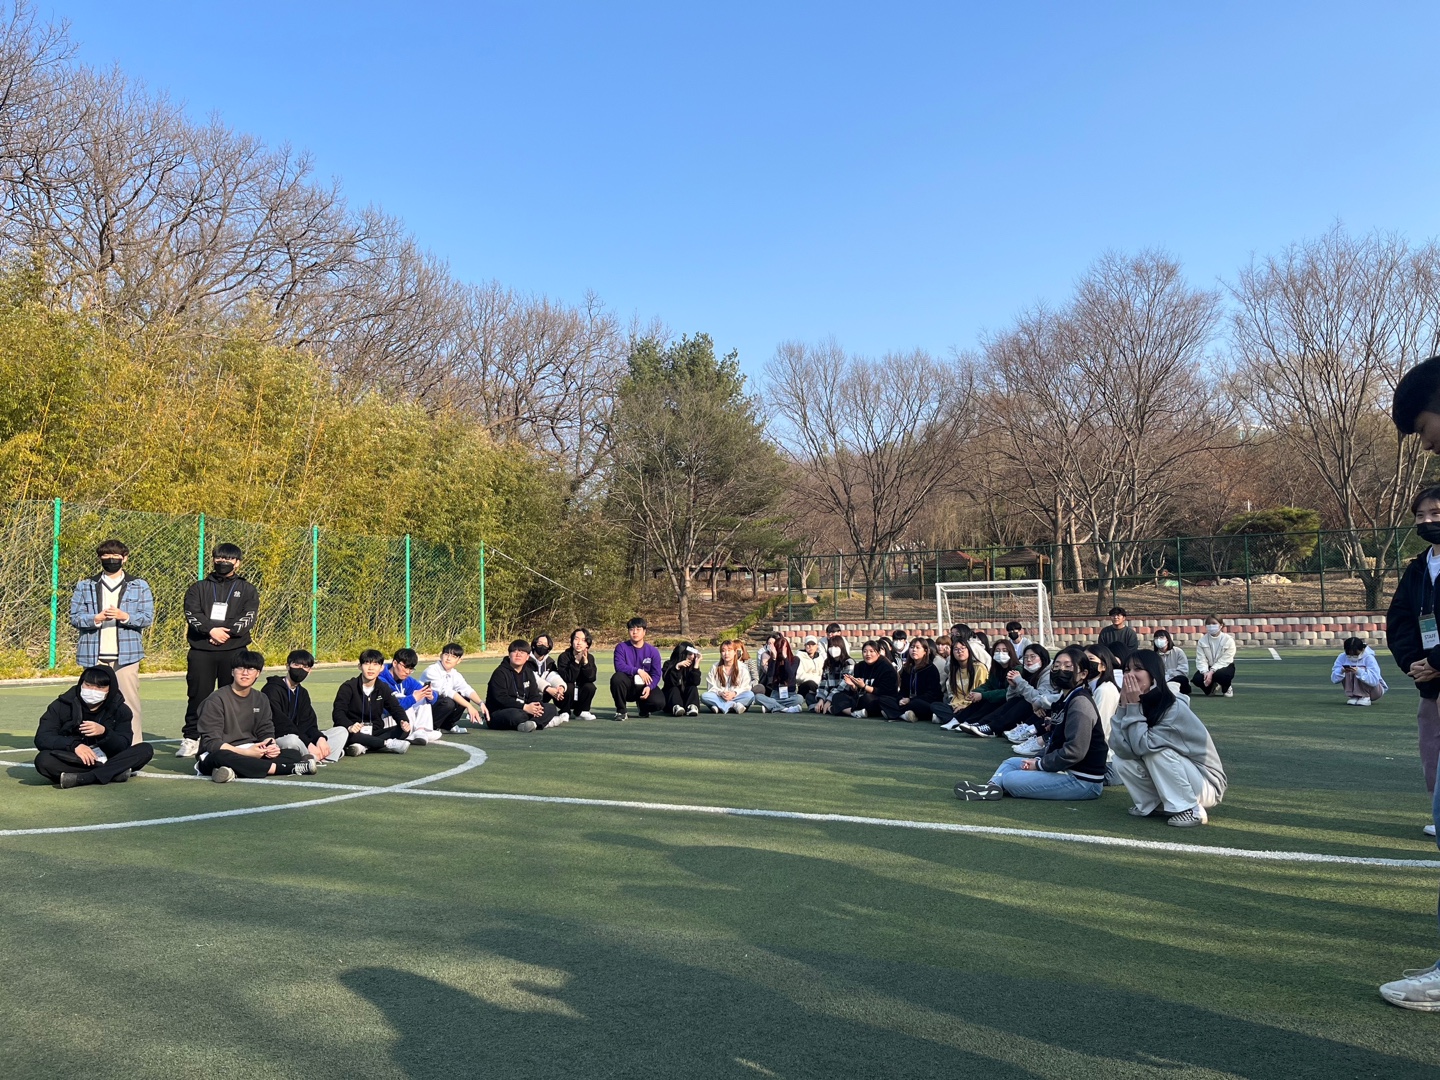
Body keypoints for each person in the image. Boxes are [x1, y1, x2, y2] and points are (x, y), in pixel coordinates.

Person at [954, 647, 1107, 801]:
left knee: (1011, 779)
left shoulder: (1080, 703)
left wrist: (1039, 765)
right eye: (1056, 666)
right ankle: (991, 788)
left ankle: (999, 786)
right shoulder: (1065, 699)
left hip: (1082, 780)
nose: (1061, 670)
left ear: (1083, 674)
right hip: (1064, 769)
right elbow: (1054, 740)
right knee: (1011, 763)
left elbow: (1074, 751)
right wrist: (1038, 760)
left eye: (1068, 666)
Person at [1112, 649, 1226, 827]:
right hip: (1183, 774)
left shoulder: (1172, 707)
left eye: (1137, 669)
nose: (1130, 675)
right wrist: (1123, 707)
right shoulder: (1138, 703)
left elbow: (1144, 746)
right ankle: (1154, 805)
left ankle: (1191, 809)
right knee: (1121, 759)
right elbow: (1120, 748)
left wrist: (1133, 707)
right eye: (1126, 670)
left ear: (1153, 675)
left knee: (1156, 752)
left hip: (1206, 784)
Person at [68, 539, 155, 746]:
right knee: (92, 701)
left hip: (127, 656)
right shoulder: (85, 585)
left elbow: (147, 617)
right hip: (93, 655)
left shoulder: (139, 585)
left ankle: (133, 746)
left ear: (125, 558)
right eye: (106, 556)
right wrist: (95, 619)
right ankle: (93, 744)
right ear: (100, 558)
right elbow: (75, 617)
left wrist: (124, 616)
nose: (111, 560)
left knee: (129, 702)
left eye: (115, 556)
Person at [177, 543, 260, 758]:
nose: (223, 562)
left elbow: (249, 616)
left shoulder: (248, 589)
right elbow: (191, 613)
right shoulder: (198, 588)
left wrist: (227, 633)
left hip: (234, 651)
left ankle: (232, 738)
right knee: (198, 695)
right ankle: (192, 738)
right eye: (219, 558)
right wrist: (210, 631)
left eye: (228, 559)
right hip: (201, 650)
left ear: (237, 563)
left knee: (233, 696)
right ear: (213, 560)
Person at [196, 650, 316, 782]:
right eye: (240, 668)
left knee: (293, 754)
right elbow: (212, 743)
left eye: (251, 669)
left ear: (258, 673)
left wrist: (270, 746)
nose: (245, 673)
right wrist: (246, 752)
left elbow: (266, 731)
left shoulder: (261, 698)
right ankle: (288, 768)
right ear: (232, 672)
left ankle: (233, 770)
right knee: (220, 757)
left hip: (253, 750)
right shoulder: (215, 700)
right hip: (224, 751)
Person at [33, 666, 155, 788]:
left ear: (110, 689)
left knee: (145, 749)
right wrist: (74, 745)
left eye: (100, 687)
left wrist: (104, 733)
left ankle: (85, 778)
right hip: (76, 758)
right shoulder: (62, 705)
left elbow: (123, 744)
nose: (93, 691)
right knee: (43, 761)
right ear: (81, 683)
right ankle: (114, 772)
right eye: (88, 685)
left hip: (109, 756)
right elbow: (43, 737)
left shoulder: (121, 709)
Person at [262, 649, 347, 763]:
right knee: (291, 741)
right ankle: (317, 756)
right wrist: (308, 743)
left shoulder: (302, 693)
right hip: (280, 737)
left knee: (341, 731)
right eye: (296, 665)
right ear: (287, 666)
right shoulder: (272, 690)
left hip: (301, 737)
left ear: (309, 671)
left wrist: (319, 738)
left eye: (305, 667)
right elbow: (281, 724)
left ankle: (314, 756)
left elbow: (308, 723)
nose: (300, 669)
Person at [332, 650, 414, 755]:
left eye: (375, 664)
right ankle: (386, 744)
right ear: (360, 666)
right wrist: (350, 726)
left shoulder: (383, 688)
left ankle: (364, 746)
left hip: (375, 731)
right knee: (344, 734)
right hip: (354, 731)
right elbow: (338, 713)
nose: (371, 668)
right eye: (367, 663)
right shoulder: (348, 687)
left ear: (381, 668)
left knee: (404, 730)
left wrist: (404, 721)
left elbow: (396, 708)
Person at [486, 640, 559, 731]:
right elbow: (501, 698)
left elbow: (534, 695)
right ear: (509, 655)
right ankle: (541, 722)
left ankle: (532, 724)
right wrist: (525, 707)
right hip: (501, 711)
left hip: (524, 709)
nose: (518, 655)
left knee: (551, 708)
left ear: (527, 657)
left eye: (522, 652)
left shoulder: (528, 672)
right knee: (516, 715)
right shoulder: (500, 673)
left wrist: (536, 707)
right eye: (514, 651)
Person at [954, 638, 1017, 735]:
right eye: (997, 651)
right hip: (995, 699)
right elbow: (988, 684)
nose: (1000, 653)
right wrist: (976, 692)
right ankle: (960, 720)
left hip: (1008, 702)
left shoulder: (1017, 669)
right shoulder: (996, 669)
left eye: (1004, 650)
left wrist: (983, 695)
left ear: (1011, 652)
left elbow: (1007, 692)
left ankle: (974, 722)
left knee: (989, 701)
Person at [380, 648, 442, 742]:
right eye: (405, 667)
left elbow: (428, 693)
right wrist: (413, 698)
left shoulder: (407, 680)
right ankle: (411, 734)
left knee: (423, 694)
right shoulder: (381, 680)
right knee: (405, 698)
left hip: (403, 722)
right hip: (386, 719)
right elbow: (389, 707)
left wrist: (431, 695)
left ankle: (421, 730)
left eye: (411, 669)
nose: (408, 672)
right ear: (395, 663)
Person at [423, 644, 489, 732]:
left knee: (464, 698)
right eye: (446, 654)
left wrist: (481, 703)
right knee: (448, 702)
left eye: (453, 656)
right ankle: (429, 728)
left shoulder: (454, 674)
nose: (448, 658)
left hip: (435, 705)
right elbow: (447, 691)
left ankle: (447, 725)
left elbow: (466, 689)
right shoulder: (431, 670)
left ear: (459, 660)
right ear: (441, 656)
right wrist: (469, 706)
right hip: (424, 707)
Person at [611, 617, 665, 720]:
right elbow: (619, 666)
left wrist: (649, 687)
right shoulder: (621, 647)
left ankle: (643, 707)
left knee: (659, 703)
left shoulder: (653, 651)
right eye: (631, 629)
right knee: (617, 678)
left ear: (644, 632)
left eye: (638, 629)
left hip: (644, 686)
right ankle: (621, 711)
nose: (634, 632)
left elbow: (656, 674)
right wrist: (638, 670)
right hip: (628, 686)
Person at [831, 640, 899, 718]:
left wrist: (864, 686)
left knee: (867, 699)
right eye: (865, 651)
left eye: (871, 651)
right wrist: (853, 686)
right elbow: (857, 691)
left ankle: (842, 710)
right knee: (837, 696)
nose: (868, 654)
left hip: (879, 698)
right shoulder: (859, 666)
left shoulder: (886, 667)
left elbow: (884, 691)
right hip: (861, 698)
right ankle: (854, 713)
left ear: (878, 653)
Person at [889, 638, 946, 723]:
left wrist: (910, 700)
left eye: (917, 647)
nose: (914, 650)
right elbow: (903, 690)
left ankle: (896, 714)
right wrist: (901, 699)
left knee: (916, 703)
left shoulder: (931, 669)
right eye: (912, 647)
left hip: (925, 702)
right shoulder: (907, 668)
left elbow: (932, 694)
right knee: (886, 699)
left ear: (925, 651)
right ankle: (905, 715)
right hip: (908, 701)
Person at [937, 639, 988, 730]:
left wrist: (965, 705)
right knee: (935, 705)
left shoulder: (979, 668)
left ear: (969, 650)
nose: (959, 651)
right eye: (956, 649)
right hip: (956, 706)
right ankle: (958, 720)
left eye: (963, 648)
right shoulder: (954, 670)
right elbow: (954, 694)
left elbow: (981, 691)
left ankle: (954, 720)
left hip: (972, 704)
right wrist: (957, 705)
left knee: (980, 707)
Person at [524, 633, 570, 720]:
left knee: (564, 689)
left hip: (544, 695)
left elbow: (552, 676)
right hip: (528, 694)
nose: (542, 646)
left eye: (546, 644)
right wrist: (548, 688)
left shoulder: (549, 662)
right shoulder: (526, 660)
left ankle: (565, 712)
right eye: (540, 643)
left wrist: (560, 687)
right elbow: (533, 678)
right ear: (534, 645)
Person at [556, 629, 598, 720]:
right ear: (572, 642)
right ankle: (564, 711)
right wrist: (576, 662)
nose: (579, 643)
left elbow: (591, 677)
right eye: (576, 639)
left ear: (587, 644)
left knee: (590, 686)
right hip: (564, 696)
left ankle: (582, 711)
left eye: (583, 640)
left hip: (580, 695)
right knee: (568, 686)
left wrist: (585, 663)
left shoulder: (590, 658)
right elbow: (567, 678)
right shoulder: (564, 657)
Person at [1332, 636, 1387, 707]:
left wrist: (1359, 672)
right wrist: (1341, 671)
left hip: (1374, 691)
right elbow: (1334, 679)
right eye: (1349, 654)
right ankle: (1354, 696)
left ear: (1362, 649)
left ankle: (1365, 696)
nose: (1352, 657)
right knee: (1346, 670)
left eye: (1355, 654)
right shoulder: (1342, 657)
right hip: (1353, 690)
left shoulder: (1369, 658)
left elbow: (1374, 680)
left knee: (1359, 669)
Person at [754, 633, 802, 713]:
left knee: (799, 698)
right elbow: (770, 675)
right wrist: (773, 659)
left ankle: (772, 706)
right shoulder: (772, 660)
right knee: (758, 697)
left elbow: (790, 675)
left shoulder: (795, 659)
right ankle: (785, 709)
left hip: (790, 693)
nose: (780, 651)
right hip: (776, 694)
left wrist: (785, 658)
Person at [702, 640, 754, 714]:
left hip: (737, 697)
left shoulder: (742, 667)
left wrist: (734, 693)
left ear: (735, 652)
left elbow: (746, 687)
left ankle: (721, 707)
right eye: (723, 651)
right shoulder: (715, 667)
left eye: (729, 650)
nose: (726, 653)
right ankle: (734, 706)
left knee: (750, 695)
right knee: (705, 696)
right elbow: (711, 686)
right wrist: (720, 693)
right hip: (720, 697)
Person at [1193, 615, 1237, 697]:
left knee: (1220, 675)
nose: (1211, 626)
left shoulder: (1228, 640)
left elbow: (1226, 659)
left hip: (1224, 666)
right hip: (1208, 666)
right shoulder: (1202, 641)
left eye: (1214, 623)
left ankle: (1227, 687)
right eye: (1208, 624)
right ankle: (1212, 687)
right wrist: (1205, 672)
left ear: (1221, 625)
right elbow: (1201, 659)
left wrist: (1211, 671)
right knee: (1197, 679)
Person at [813, 636, 852, 715]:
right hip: (828, 694)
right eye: (831, 646)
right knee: (810, 696)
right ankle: (825, 707)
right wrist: (821, 699)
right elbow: (824, 682)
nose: (833, 649)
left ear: (841, 647)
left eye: (836, 646)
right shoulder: (828, 663)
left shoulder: (849, 662)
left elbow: (843, 685)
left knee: (838, 698)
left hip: (842, 694)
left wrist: (829, 700)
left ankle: (826, 708)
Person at [662, 642, 704, 715]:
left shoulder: (692, 666)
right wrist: (677, 668)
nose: (692, 657)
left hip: (685, 698)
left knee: (693, 687)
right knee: (674, 688)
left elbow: (695, 682)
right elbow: (671, 682)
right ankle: (676, 707)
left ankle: (692, 706)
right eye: (690, 654)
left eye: (693, 654)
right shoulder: (668, 664)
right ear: (682, 654)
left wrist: (696, 665)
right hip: (671, 699)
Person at [1152, 629, 1191, 696]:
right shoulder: (1153, 656)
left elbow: (1183, 670)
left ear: (1167, 639)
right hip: (1161, 681)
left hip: (1175, 679)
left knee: (1182, 679)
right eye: (1156, 638)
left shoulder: (1178, 652)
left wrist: (1169, 677)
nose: (1158, 640)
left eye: (1161, 637)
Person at [796, 635, 825, 705]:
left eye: (813, 645)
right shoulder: (798, 657)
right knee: (811, 684)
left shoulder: (821, 658)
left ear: (817, 646)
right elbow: (799, 676)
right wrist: (816, 679)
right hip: (804, 686)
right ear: (805, 646)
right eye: (808, 644)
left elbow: (824, 673)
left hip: (819, 684)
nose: (810, 647)